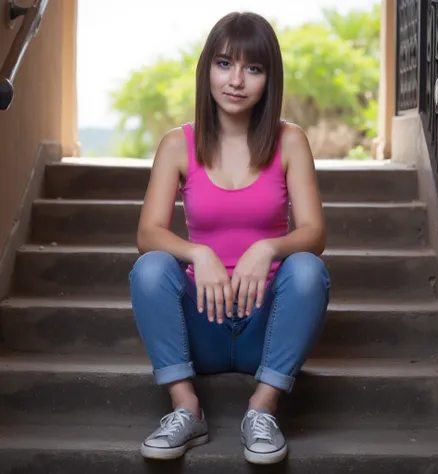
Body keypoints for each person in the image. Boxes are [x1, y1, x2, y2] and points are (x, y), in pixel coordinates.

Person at [129, 11, 330, 465]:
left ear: (268, 79)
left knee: (307, 270)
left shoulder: (290, 141)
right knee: (151, 267)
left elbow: (315, 234)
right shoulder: (178, 144)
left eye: (253, 68)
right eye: (224, 64)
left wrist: (269, 246)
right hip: (203, 324)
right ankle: (186, 408)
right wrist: (197, 252)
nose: (236, 80)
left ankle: (262, 407)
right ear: (207, 71)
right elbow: (147, 233)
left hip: (269, 326)